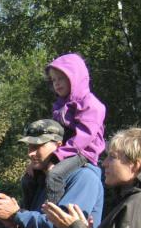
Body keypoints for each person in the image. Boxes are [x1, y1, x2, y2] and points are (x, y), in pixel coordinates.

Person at [44, 53, 106, 204]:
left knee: (54, 175)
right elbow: (56, 132)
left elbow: (83, 137)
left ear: (75, 77)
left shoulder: (91, 104)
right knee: (32, 174)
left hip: (83, 152)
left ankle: (53, 211)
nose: (57, 83)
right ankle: (24, 210)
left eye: (61, 78)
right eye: (53, 80)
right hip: (66, 149)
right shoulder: (60, 105)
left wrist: (57, 156)